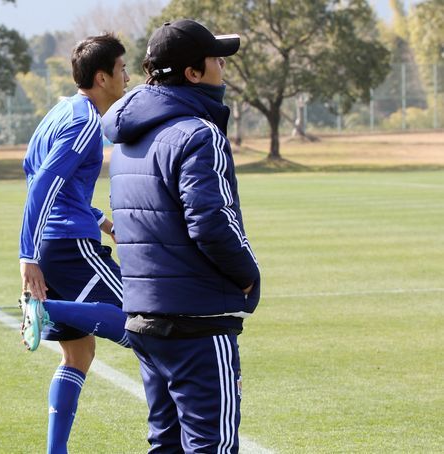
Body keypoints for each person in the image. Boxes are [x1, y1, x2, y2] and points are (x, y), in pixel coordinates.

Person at [102, 19, 261, 453]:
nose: (223, 68)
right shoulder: (199, 133)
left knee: (166, 444)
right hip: (197, 320)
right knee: (212, 445)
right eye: (216, 60)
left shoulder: (128, 138)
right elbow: (211, 222)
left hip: (144, 315)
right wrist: (248, 274)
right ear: (192, 73)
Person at [18, 33, 130, 454]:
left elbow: (41, 175)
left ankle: (56, 451)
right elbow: (43, 184)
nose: (127, 77)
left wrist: (102, 221)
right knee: (142, 320)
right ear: (102, 77)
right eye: (122, 69)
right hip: (67, 245)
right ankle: (44, 310)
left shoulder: (61, 110)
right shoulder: (85, 123)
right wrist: (27, 255)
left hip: (56, 242)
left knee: (78, 352)